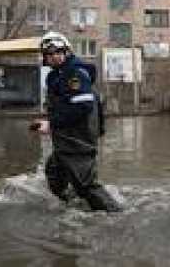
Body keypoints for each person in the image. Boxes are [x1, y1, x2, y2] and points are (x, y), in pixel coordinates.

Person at [31, 31, 121, 212]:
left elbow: (83, 106)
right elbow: (75, 104)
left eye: (57, 52)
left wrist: (51, 124)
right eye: (48, 54)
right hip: (66, 142)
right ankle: (74, 204)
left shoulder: (75, 74)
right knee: (54, 171)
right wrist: (50, 122)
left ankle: (116, 215)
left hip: (78, 142)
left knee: (86, 185)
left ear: (66, 52)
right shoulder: (59, 74)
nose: (53, 57)